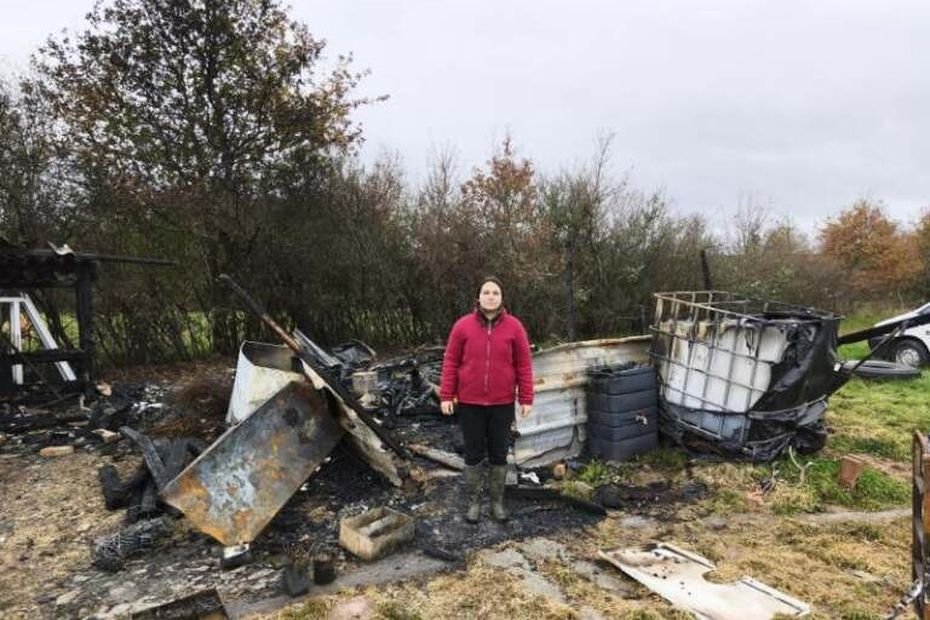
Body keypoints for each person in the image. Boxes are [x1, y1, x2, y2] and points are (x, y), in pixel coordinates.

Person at [439, 276, 534, 523]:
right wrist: (447, 394)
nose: (491, 296)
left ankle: (496, 503)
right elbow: (450, 361)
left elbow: (523, 365)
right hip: (470, 403)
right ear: (478, 297)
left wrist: (526, 398)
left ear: (502, 298)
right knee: (473, 453)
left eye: (496, 292)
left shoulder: (514, 327)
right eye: (486, 292)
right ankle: (473, 503)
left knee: (499, 453)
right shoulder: (462, 326)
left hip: (502, 404)